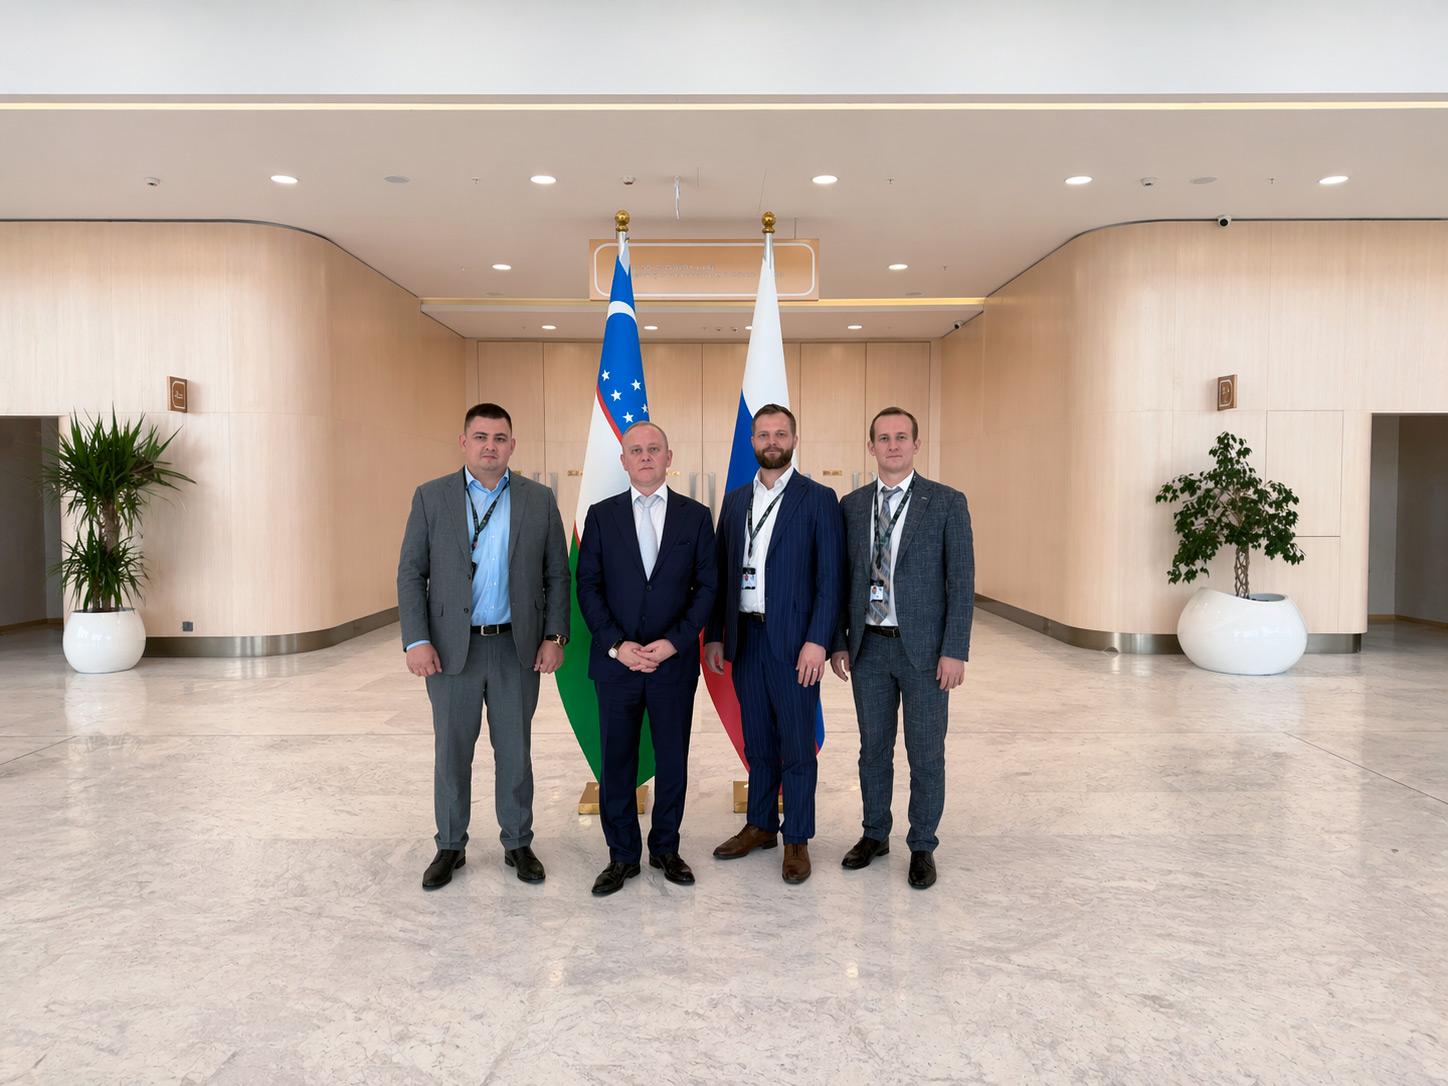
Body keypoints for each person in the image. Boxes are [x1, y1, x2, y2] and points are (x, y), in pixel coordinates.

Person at [397, 403, 570, 891]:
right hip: (452, 651)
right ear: (464, 443)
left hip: (517, 647)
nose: (489, 446)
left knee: (515, 751)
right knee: (452, 752)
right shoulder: (431, 497)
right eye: (480, 437)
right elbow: (411, 572)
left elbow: (557, 574)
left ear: (512, 445)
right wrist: (417, 639)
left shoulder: (538, 499)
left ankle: (517, 841)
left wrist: (555, 636)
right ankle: (450, 845)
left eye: (499, 438)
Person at [829, 406, 974, 890]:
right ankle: (874, 834)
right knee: (873, 750)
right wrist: (838, 642)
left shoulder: (946, 502)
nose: (893, 445)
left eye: (901, 437)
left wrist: (955, 650)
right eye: (884, 438)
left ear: (916, 444)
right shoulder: (851, 506)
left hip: (926, 654)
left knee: (926, 753)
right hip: (868, 649)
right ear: (870, 446)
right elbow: (841, 580)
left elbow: (961, 581)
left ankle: (923, 844)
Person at [705, 404, 845, 884]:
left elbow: (830, 580)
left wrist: (817, 641)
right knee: (759, 741)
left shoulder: (818, 499)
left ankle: (797, 837)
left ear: (794, 440)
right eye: (763, 434)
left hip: (794, 644)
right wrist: (717, 635)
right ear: (752, 441)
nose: (772, 441)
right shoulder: (735, 500)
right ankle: (761, 824)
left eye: (780, 433)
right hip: (746, 639)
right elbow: (722, 574)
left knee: (797, 745)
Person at [575, 421, 717, 896]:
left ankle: (666, 848)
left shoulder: (696, 517)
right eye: (635, 450)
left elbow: (707, 588)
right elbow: (588, 587)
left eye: (654, 449)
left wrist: (675, 642)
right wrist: (618, 646)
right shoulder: (601, 516)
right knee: (617, 762)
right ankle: (621, 855)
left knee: (673, 759)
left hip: (672, 664)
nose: (645, 456)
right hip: (616, 664)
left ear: (668, 457)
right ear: (623, 460)